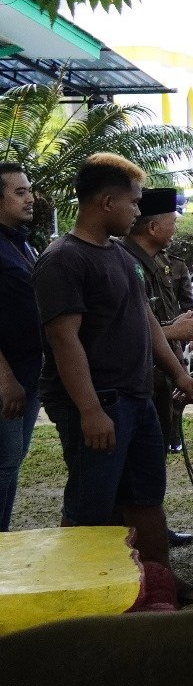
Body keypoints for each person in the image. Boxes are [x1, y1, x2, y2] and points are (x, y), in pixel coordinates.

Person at [32, 153, 193, 602]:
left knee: (145, 499)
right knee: (90, 505)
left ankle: (158, 588)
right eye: (133, 203)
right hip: (100, 404)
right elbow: (64, 340)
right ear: (106, 201)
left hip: (136, 397)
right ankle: (79, 596)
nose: (139, 211)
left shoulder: (119, 254)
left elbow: (146, 320)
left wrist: (178, 373)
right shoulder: (62, 260)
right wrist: (91, 411)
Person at [120, 188, 193, 546]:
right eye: (172, 221)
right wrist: (174, 331)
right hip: (134, 376)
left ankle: (149, 529)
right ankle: (126, 534)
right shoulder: (122, 261)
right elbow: (122, 331)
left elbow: (161, 318)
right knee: (129, 468)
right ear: (152, 225)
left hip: (161, 371)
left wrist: (182, 336)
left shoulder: (160, 261)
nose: (176, 227)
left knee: (155, 455)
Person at [0, 163, 40, 531]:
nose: (30, 198)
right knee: (4, 462)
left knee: (12, 463)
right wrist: (6, 377)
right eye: (19, 192)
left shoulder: (21, 242)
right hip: (7, 380)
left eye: (29, 190)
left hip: (30, 375)